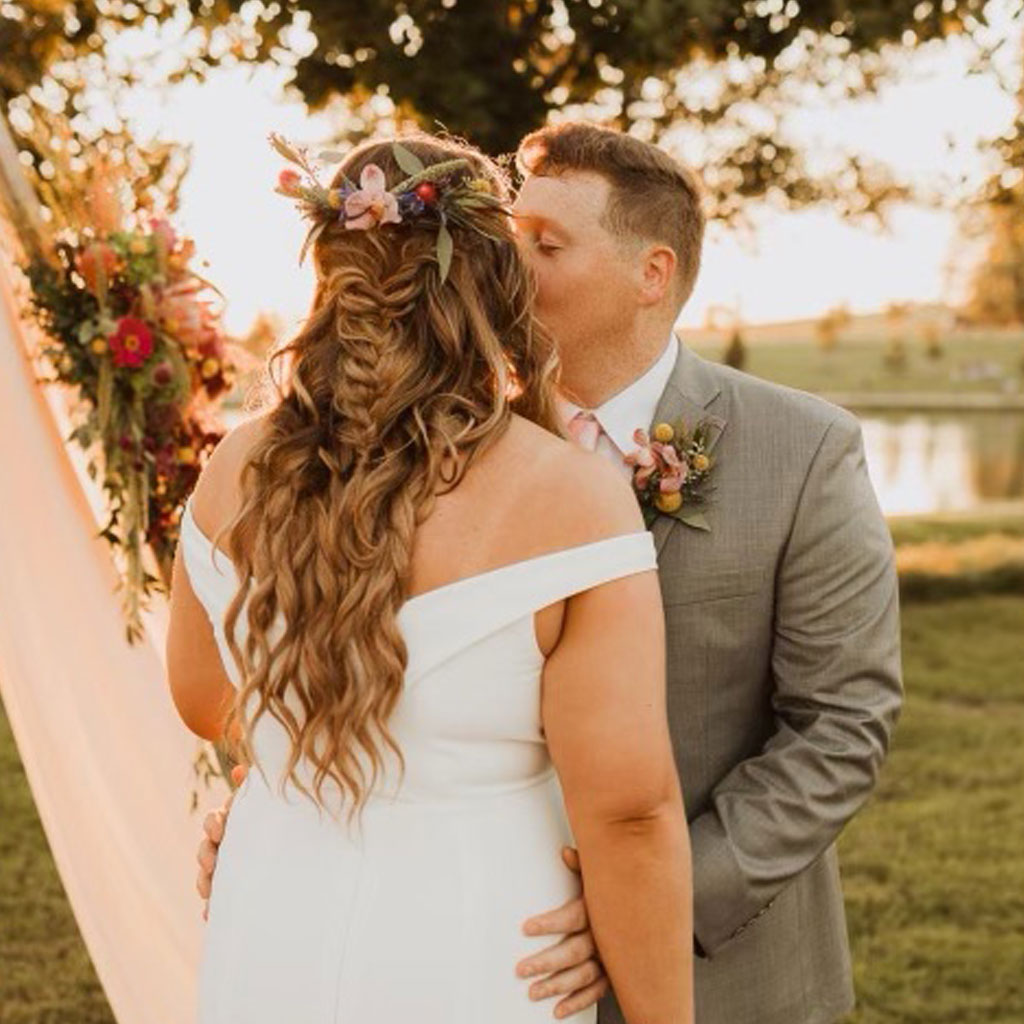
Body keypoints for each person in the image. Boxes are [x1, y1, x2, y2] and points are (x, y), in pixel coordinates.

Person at [196, 121, 904, 1024]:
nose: (500, 259)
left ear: (652, 274)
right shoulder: (424, 447)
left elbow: (841, 725)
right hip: (475, 950)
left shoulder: (802, 449)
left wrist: (650, 902)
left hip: (713, 969)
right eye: (504, 234)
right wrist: (286, 807)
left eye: (545, 244)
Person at [166, 131, 694, 1024]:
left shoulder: (235, 466)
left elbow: (205, 699)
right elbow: (629, 814)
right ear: (494, 276)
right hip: (480, 941)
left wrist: (307, 775)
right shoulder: (571, 496)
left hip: (272, 921)